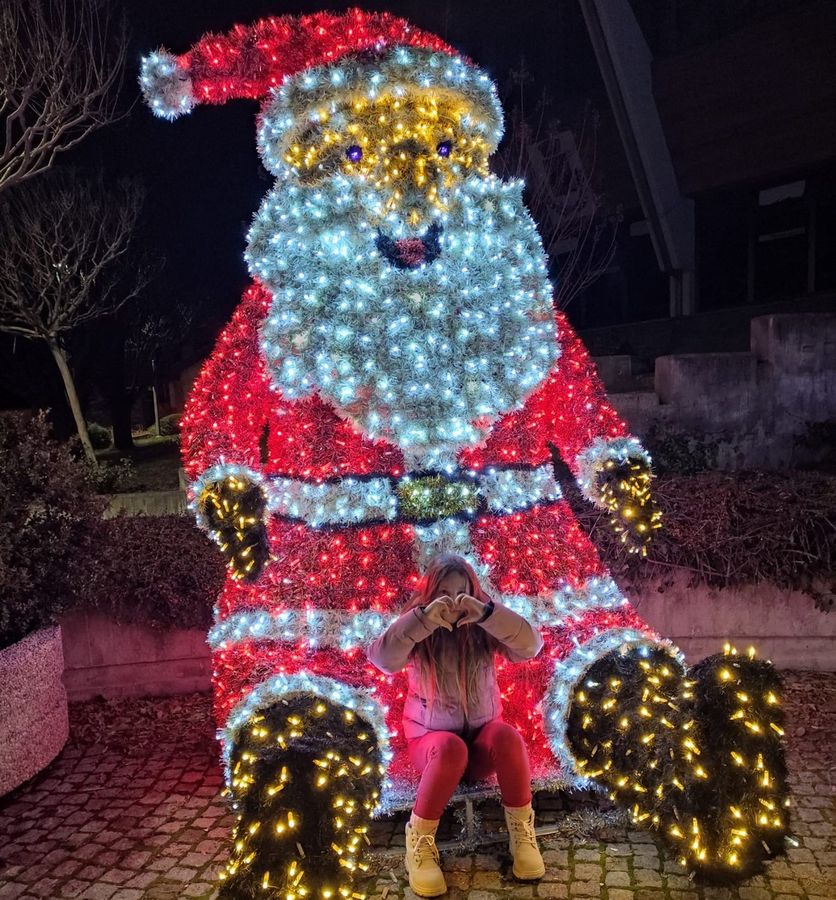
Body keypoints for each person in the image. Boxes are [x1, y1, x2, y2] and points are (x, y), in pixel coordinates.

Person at [367, 553, 545, 897]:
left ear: (473, 593)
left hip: (480, 741)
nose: (453, 602)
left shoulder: (484, 625)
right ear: (430, 594)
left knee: (508, 736)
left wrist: (487, 614)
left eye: (461, 592)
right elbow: (383, 659)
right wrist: (422, 620)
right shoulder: (416, 626)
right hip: (432, 744)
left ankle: (522, 835)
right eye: (444, 593)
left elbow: (531, 645)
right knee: (451, 748)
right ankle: (419, 845)